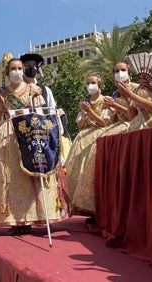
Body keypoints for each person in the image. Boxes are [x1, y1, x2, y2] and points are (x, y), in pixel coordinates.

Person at [0, 58, 69, 235]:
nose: (16, 71)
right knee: (11, 178)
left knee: (33, 174)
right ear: (8, 73)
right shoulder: (2, 93)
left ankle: (37, 215)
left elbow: (39, 114)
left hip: (29, 133)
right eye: (13, 68)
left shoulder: (34, 90)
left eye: (19, 68)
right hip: (8, 134)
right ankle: (16, 220)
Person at [64, 73, 110, 223]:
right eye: (88, 83)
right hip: (83, 137)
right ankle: (83, 208)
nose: (90, 85)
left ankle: (97, 208)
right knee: (78, 172)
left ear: (100, 85)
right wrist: (84, 114)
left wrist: (90, 112)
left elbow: (104, 122)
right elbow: (79, 125)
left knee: (91, 172)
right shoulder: (85, 102)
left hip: (98, 135)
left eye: (93, 82)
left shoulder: (106, 101)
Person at [20, 53, 72, 161]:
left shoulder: (45, 90)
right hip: (24, 137)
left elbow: (54, 112)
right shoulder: (17, 91)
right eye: (28, 65)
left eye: (34, 65)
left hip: (44, 136)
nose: (31, 67)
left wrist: (58, 134)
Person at [117, 55, 152, 131]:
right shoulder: (137, 90)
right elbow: (132, 116)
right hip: (140, 128)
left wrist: (131, 95)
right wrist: (127, 100)